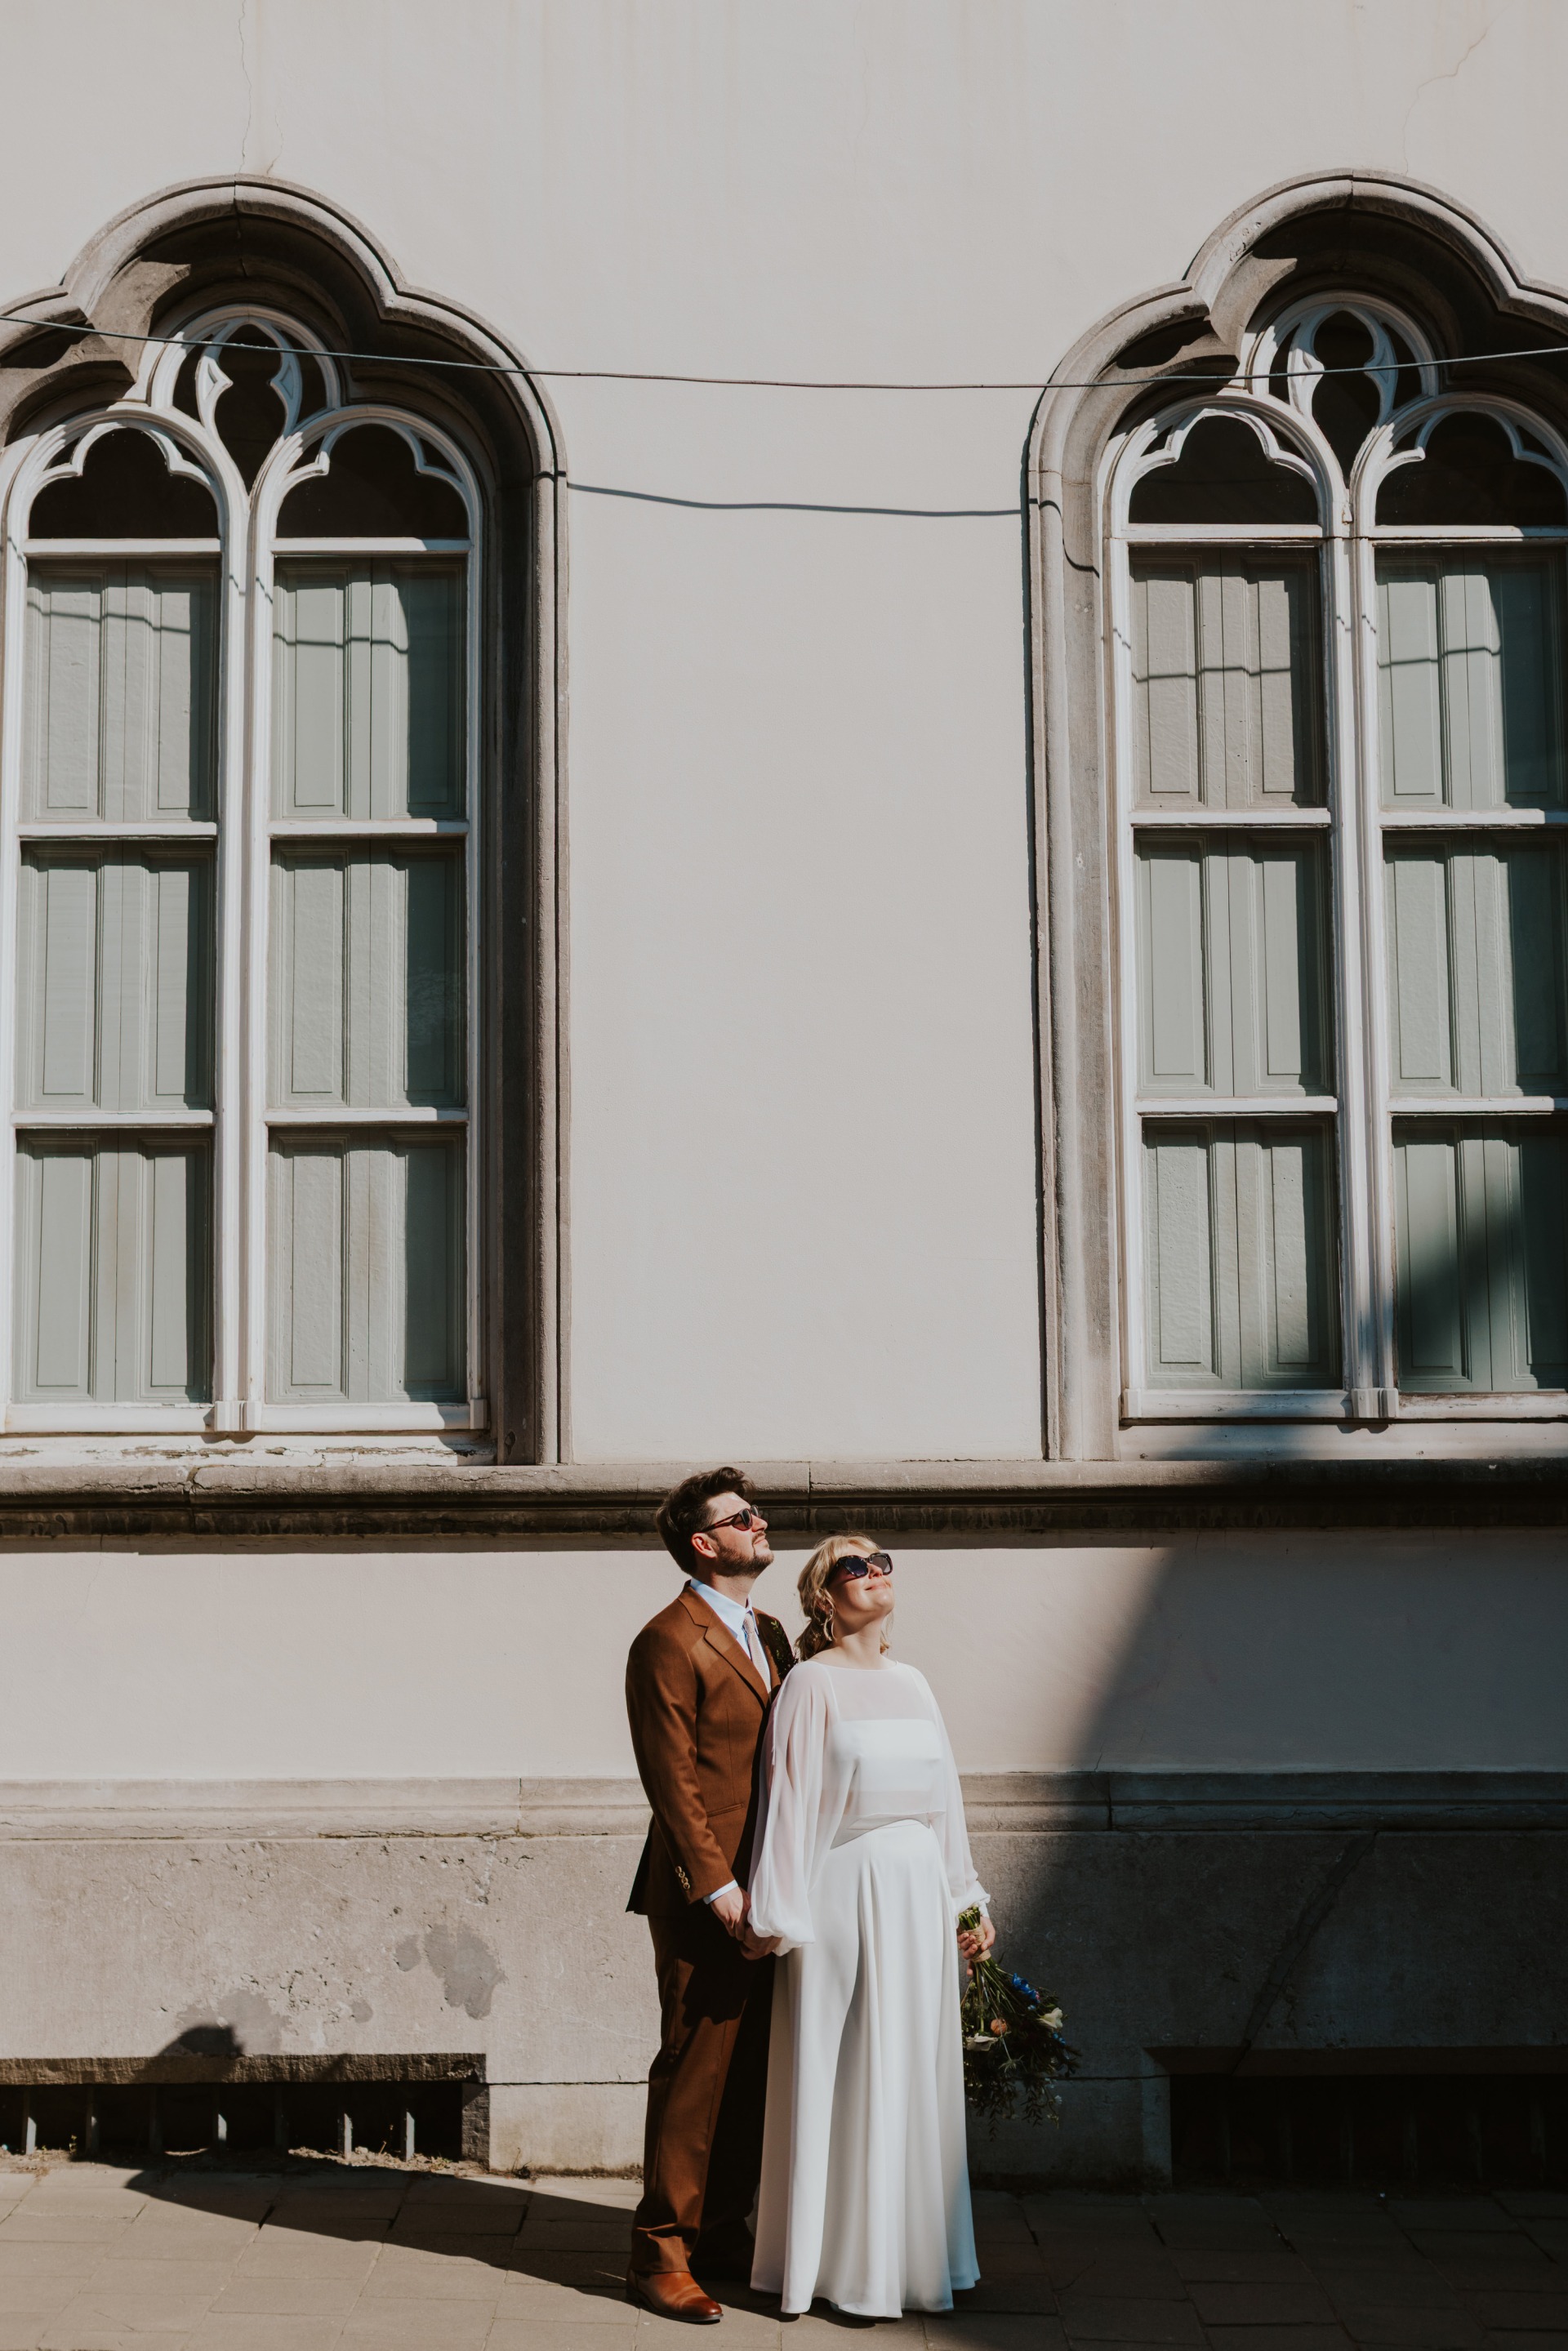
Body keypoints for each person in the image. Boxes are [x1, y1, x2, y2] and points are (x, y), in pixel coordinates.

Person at [744, 1533, 995, 2321]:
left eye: (883, 1561)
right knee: (848, 2069)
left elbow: (945, 1803)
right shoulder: (809, 1684)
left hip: (918, 1897)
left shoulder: (914, 1682)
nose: (876, 1572)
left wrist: (966, 1901)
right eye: (855, 1565)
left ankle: (914, 2262)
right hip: (843, 1896)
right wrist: (775, 1913)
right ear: (824, 1596)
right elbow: (788, 1805)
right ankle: (842, 2268)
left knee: (911, 2070)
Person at [623, 1467, 795, 2325]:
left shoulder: (772, 1630)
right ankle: (660, 2253)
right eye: (742, 1516)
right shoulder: (667, 1638)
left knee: (754, 2068)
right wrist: (719, 1887)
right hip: (709, 1890)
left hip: (777, 1882)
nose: (760, 1523)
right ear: (704, 1541)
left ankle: (724, 2234)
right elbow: (672, 1780)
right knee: (695, 2068)